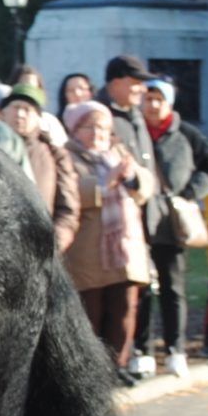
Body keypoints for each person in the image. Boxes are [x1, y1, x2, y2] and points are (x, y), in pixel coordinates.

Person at [138, 75, 208, 378]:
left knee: (173, 288)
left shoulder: (186, 133)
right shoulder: (136, 131)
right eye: (148, 98)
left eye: (159, 98)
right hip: (139, 221)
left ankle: (176, 348)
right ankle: (143, 348)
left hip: (171, 222)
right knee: (143, 288)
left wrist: (191, 193)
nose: (153, 104)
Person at [60, 100, 150, 384]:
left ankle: (117, 367)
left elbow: (145, 188)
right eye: (90, 127)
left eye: (103, 128)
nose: (98, 133)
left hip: (124, 249)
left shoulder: (118, 152)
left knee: (124, 310)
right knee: (92, 312)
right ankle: (90, 373)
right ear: (75, 129)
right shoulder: (67, 156)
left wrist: (133, 177)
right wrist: (104, 184)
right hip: (88, 250)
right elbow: (69, 195)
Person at [99, 55, 167, 376]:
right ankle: (114, 362)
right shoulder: (103, 117)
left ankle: (133, 354)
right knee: (113, 302)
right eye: (134, 82)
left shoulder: (135, 117)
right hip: (112, 226)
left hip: (142, 219)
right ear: (115, 84)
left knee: (140, 294)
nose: (142, 88)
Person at [0, 81, 81, 253]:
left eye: (27, 109)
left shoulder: (54, 155)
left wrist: (55, 242)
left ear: (38, 118)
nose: (20, 115)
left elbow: (68, 207)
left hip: (40, 246)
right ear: (3, 113)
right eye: (15, 107)